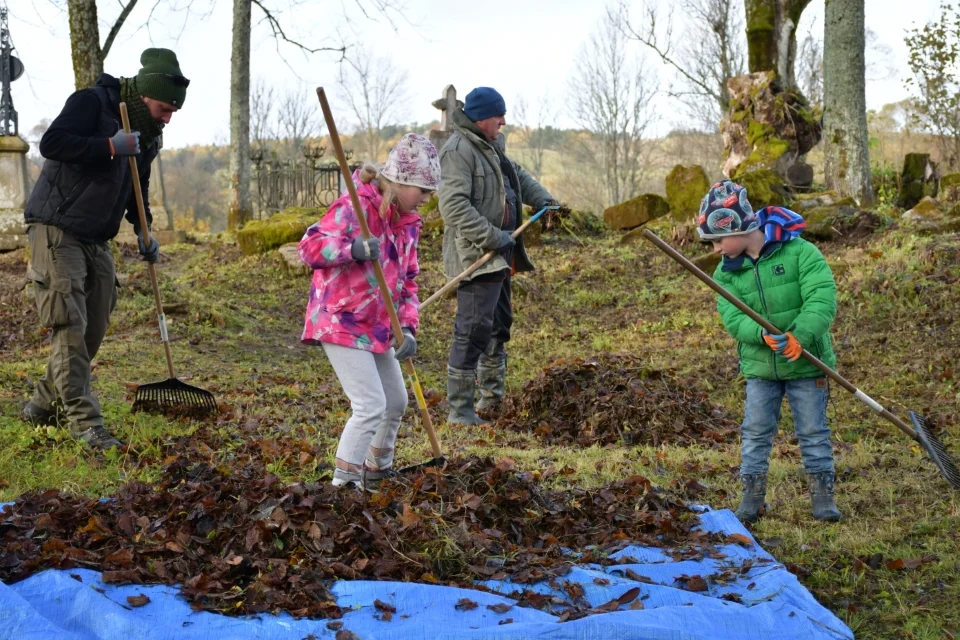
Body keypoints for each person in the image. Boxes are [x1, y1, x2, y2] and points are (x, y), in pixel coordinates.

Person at [21, 48, 189, 450]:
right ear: (146, 95)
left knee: (93, 327)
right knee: (70, 326)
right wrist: (110, 146)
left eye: (173, 113)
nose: (168, 118)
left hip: (97, 237)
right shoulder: (91, 103)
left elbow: (137, 185)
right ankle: (85, 424)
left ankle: (43, 404)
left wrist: (143, 229)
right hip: (56, 227)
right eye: (165, 108)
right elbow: (53, 143)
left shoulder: (147, 136)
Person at [298, 133, 439, 489]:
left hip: (377, 325)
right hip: (340, 318)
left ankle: (377, 472)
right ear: (401, 181)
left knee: (396, 401)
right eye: (422, 190)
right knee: (370, 405)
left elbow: (408, 281)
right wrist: (352, 249)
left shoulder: (407, 225)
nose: (426, 199)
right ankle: (343, 486)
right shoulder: (356, 207)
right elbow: (310, 247)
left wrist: (406, 329)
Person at [701, 180, 842, 523]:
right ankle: (751, 498)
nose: (717, 249)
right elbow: (732, 318)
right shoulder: (727, 272)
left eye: (719, 239)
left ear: (741, 227)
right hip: (761, 369)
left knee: (812, 432)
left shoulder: (800, 253)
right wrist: (760, 333)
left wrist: (800, 335)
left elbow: (822, 299)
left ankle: (823, 498)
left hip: (806, 365)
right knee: (755, 432)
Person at [437, 87, 557, 425]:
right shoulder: (458, 151)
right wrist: (493, 237)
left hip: (502, 253)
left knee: (498, 326)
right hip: (476, 254)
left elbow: (516, 177)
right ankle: (460, 411)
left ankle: (491, 401)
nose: (503, 121)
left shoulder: (491, 146)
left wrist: (544, 199)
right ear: (480, 118)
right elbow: (453, 207)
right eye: (498, 115)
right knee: (474, 328)